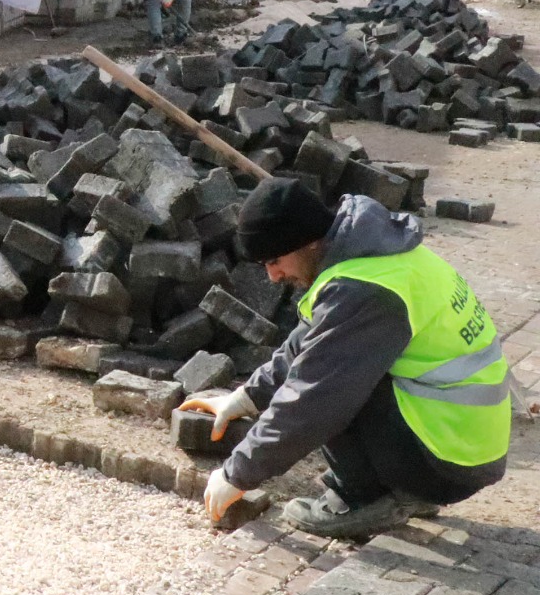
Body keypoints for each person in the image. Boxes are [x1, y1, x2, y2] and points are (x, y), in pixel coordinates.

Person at [182, 178, 512, 539]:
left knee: (333, 388)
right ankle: (406, 489)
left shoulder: (364, 290)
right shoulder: (374, 252)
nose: (272, 276)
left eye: (275, 260)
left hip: (450, 459)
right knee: (337, 363)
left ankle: (363, 499)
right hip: (463, 442)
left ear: (307, 242)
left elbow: (312, 399)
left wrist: (237, 474)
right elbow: (310, 341)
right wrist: (245, 398)